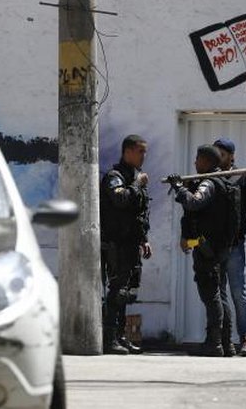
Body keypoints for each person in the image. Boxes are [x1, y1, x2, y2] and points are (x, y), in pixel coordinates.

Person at [167, 144, 233, 357]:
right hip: (219, 247)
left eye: (198, 159)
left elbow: (194, 203)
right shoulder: (222, 182)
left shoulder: (209, 183)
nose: (195, 163)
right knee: (220, 295)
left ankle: (214, 343)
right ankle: (226, 342)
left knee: (211, 294)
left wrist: (179, 188)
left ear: (205, 161)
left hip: (208, 248)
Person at [100, 135, 152, 355]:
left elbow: (138, 212)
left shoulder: (135, 176)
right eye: (140, 151)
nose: (143, 156)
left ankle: (121, 337)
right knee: (116, 291)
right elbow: (119, 199)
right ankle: (110, 338)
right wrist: (136, 184)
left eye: (144, 152)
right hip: (116, 243)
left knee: (127, 293)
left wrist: (144, 239)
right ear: (127, 151)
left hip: (131, 243)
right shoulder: (115, 176)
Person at [213, 138, 246, 357]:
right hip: (213, 246)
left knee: (237, 292)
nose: (218, 157)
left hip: (235, 244)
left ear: (231, 156)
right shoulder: (208, 177)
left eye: (221, 154)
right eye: (215, 153)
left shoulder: (244, 176)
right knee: (215, 293)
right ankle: (220, 340)